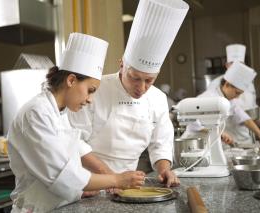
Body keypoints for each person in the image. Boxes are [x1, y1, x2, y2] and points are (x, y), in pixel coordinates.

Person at [7, 33, 145, 213]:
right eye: (90, 90)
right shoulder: (36, 113)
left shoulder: (58, 112)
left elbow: (73, 156)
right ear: (71, 80)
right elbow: (62, 176)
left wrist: (82, 189)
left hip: (59, 206)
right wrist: (117, 180)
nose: (90, 99)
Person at [68, 0, 189, 187]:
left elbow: (160, 143)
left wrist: (164, 169)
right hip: (90, 182)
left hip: (130, 184)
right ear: (122, 65)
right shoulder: (94, 90)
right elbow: (76, 141)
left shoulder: (158, 98)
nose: (141, 87)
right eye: (135, 78)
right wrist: (112, 179)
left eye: (149, 80)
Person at [184, 61, 260, 151]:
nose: (238, 96)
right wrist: (219, 133)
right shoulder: (208, 97)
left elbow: (243, 117)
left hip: (208, 146)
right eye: (237, 93)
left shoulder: (229, 100)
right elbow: (191, 121)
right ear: (227, 85)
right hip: (192, 145)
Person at [208, 44, 260, 145]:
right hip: (227, 139)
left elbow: (252, 109)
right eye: (233, 63)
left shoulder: (248, 84)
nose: (237, 67)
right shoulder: (215, 86)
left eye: (240, 63)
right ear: (226, 65)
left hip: (248, 137)